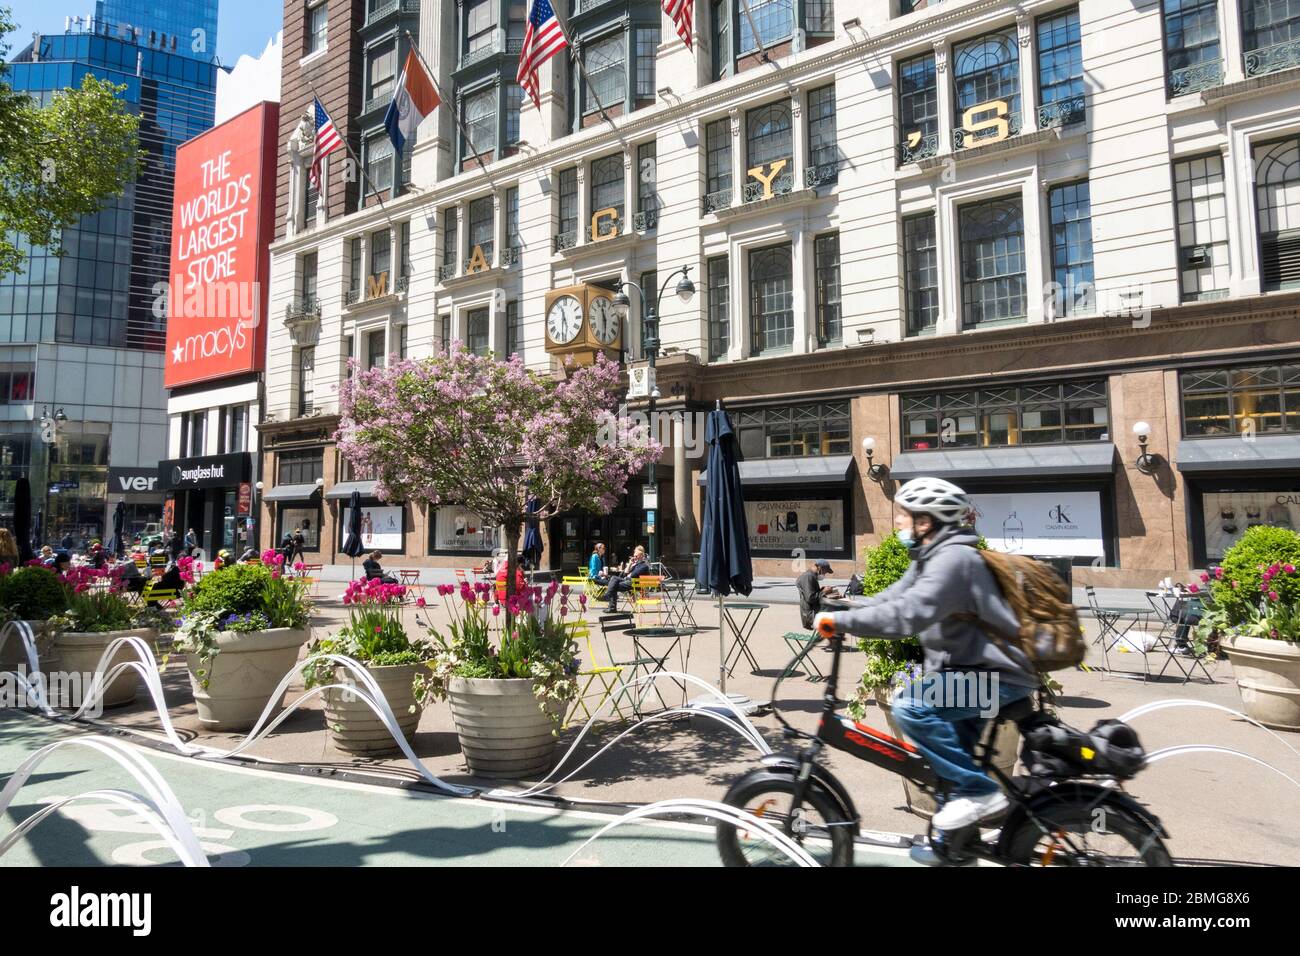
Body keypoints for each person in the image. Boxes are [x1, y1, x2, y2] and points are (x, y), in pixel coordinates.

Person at [813, 477, 1037, 833]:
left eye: (904, 514)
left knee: (910, 706)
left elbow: (906, 617)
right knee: (949, 774)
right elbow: (894, 599)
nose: (898, 521)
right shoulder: (931, 557)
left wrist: (840, 622)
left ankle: (981, 793)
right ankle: (955, 843)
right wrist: (847, 605)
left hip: (996, 680)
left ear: (926, 521)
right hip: (971, 674)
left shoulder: (953, 560)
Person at [605, 545, 650, 614]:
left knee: (613, 581)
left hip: (635, 584)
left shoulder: (643, 565)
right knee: (614, 582)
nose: (634, 557)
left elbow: (632, 575)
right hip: (630, 582)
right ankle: (611, 606)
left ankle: (610, 601)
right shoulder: (635, 564)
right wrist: (630, 564)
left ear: (641, 556)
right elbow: (625, 573)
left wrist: (628, 574)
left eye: (636, 556)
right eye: (634, 556)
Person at [796, 559, 840, 630]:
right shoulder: (808, 577)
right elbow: (810, 598)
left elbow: (812, 593)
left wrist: (821, 590)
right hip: (811, 614)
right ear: (819, 568)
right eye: (825, 572)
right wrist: (824, 592)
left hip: (814, 611)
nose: (824, 575)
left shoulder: (811, 576)